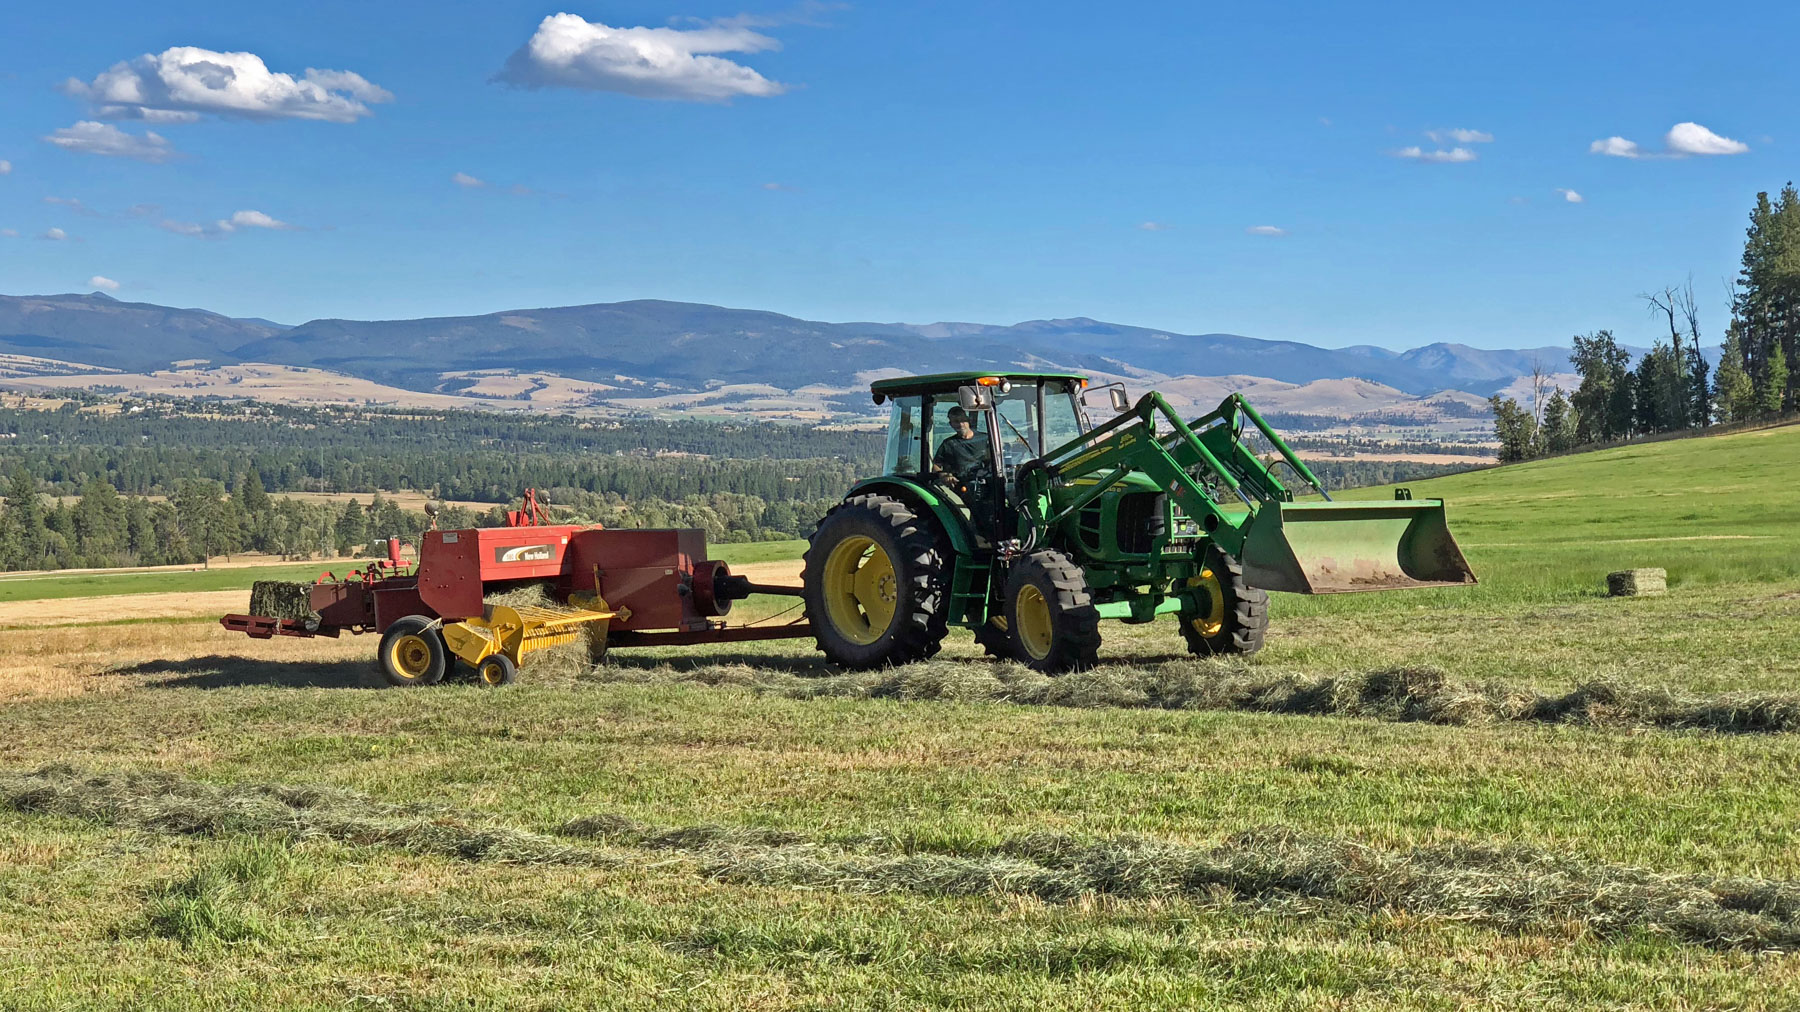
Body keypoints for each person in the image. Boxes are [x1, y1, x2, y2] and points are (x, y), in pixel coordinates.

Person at [932, 405, 992, 479]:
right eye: (956, 421)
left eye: (963, 420)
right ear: (951, 424)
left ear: (968, 420)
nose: (960, 424)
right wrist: (943, 476)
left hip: (985, 482)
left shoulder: (985, 439)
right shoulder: (948, 444)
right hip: (959, 485)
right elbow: (936, 466)